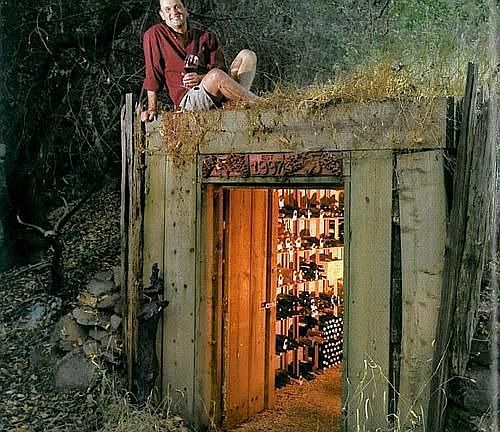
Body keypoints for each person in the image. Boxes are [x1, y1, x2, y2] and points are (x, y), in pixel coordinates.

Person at [141, 0, 258, 121]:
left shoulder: (205, 37)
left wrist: (200, 78)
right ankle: (260, 104)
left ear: (186, 10)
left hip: (215, 91)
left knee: (247, 55)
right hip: (188, 101)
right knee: (216, 76)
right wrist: (152, 108)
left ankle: (238, 103)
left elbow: (221, 70)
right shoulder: (155, 34)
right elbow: (152, 75)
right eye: (168, 9)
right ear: (162, 15)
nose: (174, 12)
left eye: (177, 7)